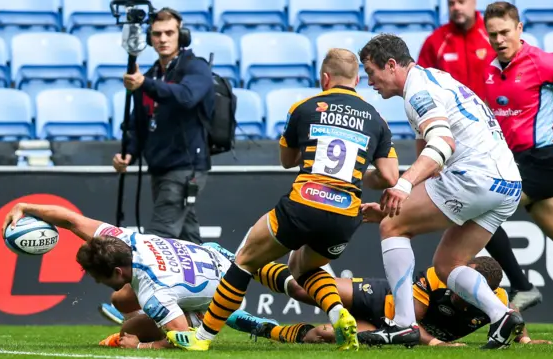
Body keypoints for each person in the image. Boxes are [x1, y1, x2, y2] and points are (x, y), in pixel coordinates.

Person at [164, 48, 400, 351]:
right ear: (357, 79)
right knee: (304, 268)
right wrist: (360, 177)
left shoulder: (304, 107)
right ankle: (338, 312)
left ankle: (202, 338)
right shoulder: (377, 119)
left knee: (245, 259)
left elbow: (287, 160)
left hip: (305, 202)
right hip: (345, 214)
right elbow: (389, 177)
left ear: (324, 78)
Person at [359, 33, 525, 349]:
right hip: (508, 185)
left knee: (392, 227)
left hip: (474, 176)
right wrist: (400, 197)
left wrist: (403, 185)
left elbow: (442, 144)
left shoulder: (417, 92)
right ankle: (501, 314)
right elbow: (433, 164)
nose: (370, 81)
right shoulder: (436, 79)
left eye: (371, 71)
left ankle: (403, 325)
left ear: (391, 65)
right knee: (448, 265)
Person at [1, 203, 282, 350]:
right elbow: (72, 221)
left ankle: (226, 319)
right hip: (214, 259)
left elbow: (187, 342)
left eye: (99, 278)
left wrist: (142, 344)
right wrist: (26, 206)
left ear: (116, 271)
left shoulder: (154, 293)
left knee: (131, 331)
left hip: (225, 292)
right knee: (121, 297)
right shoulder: (123, 238)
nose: (97, 283)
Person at [417, 0, 540, 310]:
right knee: (476, 212)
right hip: (456, 141)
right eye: (451, 2)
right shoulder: (436, 42)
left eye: (462, 0)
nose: (456, 6)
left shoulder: (495, 39)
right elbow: (420, 94)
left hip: (496, 142)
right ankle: (513, 293)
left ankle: (513, 290)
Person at [483, 2, 553, 283]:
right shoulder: (490, 71)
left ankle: (522, 287)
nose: (498, 40)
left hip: (541, 160)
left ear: (519, 28)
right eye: (492, 34)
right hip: (513, 163)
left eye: (504, 32)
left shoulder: (545, 62)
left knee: (480, 214)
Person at [228, 257, 552, 347]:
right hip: (386, 301)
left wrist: (523, 340)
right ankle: (243, 262)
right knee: (303, 290)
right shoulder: (439, 276)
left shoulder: (495, 300)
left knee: (325, 334)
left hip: (388, 329)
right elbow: (410, 321)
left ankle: (262, 328)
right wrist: (437, 344)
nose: (456, 284)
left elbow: (514, 323)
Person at [112, 7, 214, 243]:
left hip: (186, 167)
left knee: (158, 239)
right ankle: (213, 278)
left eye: (169, 32)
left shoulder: (196, 68)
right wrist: (128, 154)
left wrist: (144, 84)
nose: (163, 39)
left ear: (182, 35)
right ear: (150, 38)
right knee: (188, 240)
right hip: (160, 166)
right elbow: (138, 124)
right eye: (157, 34)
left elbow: (186, 96)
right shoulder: (148, 76)